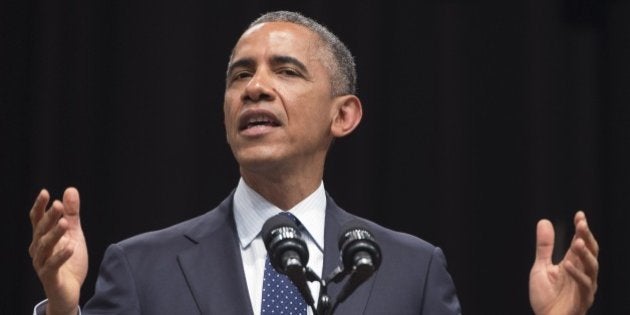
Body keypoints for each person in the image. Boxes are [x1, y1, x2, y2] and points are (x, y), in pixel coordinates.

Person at [28, 10, 599, 315]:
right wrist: (62, 308)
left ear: (343, 115)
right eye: (239, 75)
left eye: (287, 71)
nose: (255, 88)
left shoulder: (410, 271)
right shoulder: (141, 267)